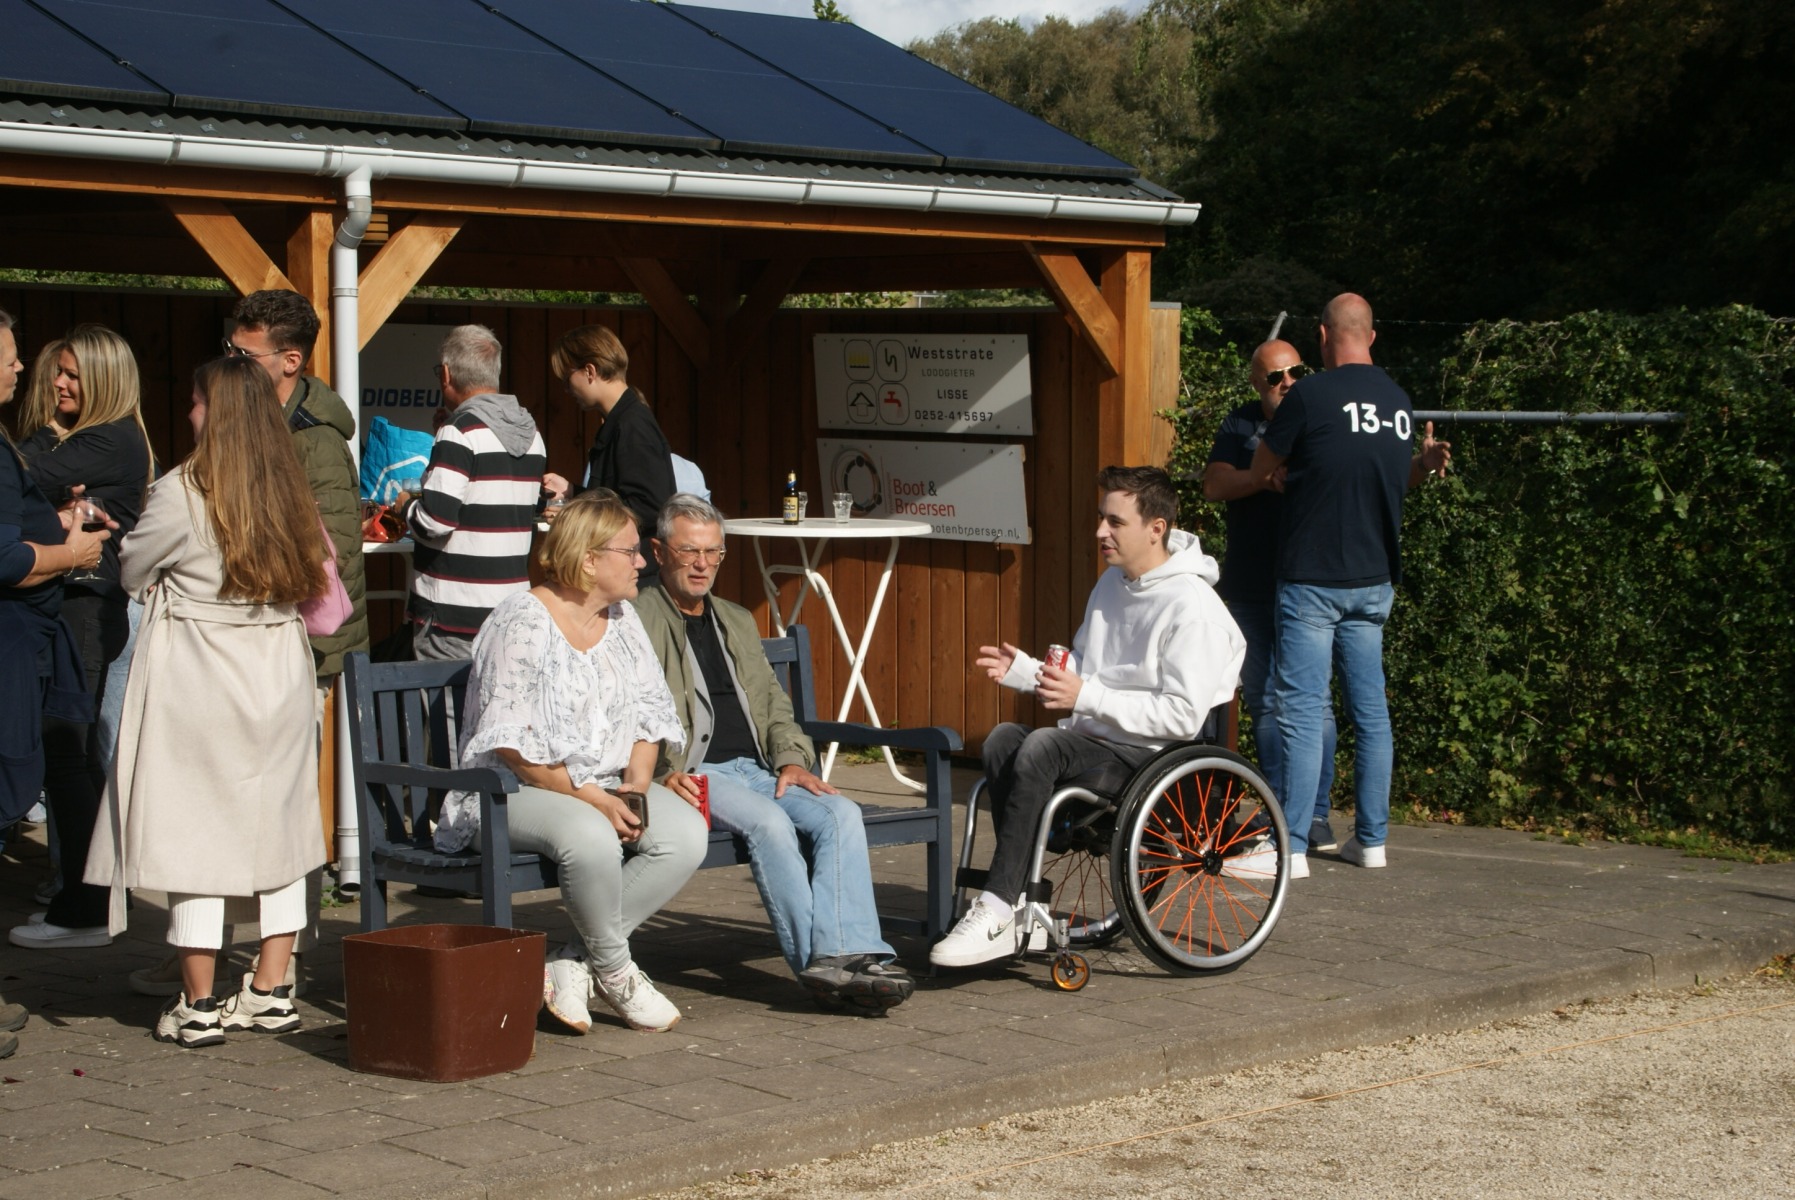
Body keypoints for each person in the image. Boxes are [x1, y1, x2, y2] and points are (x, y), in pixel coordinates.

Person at [86, 357, 331, 1047]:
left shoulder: (181, 490)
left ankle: (198, 1004)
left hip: (202, 672)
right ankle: (270, 991)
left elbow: (134, 569)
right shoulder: (290, 488)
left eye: (196, 403)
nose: (189, 412)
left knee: (194, 832)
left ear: (215, 413)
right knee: (284, 829)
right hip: (279, 670)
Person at [931, 466, 1247, 969]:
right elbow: (1085, 667)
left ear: (1156, 528)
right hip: (1095, 743)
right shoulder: (1112, 583)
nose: (1101, 531)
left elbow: (1182, 717)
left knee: (1042, 746)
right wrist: (1027, 672)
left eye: (1115, 522)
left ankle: (998, 906)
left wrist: (1088, 697)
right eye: (1101, 518)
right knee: (1002, 740)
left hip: (1152, 760)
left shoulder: (1195, 609)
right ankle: (1016, 901)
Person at [634, 494, 915, 1014]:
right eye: (689, 551)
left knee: (840, 813)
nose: (702, 564)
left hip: (759, 769)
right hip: (697, 773)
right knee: (771, 825)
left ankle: (848, 955)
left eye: (713, 553)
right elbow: (630, 710)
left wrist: (791, 759)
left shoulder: (736, 619)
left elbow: (773, 702)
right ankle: (823, 968)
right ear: (658, 552)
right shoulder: (635, 619)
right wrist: (664, 771)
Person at [441, 491, 706, 1033]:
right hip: (509, 790)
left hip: (603, 782)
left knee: (684, 834)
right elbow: (513, 748)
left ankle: (571, 960)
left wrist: (635, 788)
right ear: (588, 560)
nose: (641, 561)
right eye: (629, 551)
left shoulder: (623, 617)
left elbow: (649, 714)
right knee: (590, 837)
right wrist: (595, 799)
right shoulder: (522, 620)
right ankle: (616, 972)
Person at [1249, 294, 1451, 876]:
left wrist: (1283, 474)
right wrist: (1424, 464)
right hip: (1374, 581)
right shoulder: (1398, 402)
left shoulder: (1310, 395)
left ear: (1321, 336)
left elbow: (1262, 469)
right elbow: (1393, 478)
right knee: (1371, 713)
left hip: (1312, 579)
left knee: (1301, 712)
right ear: (1373, 336)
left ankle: (1289, 848)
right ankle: (1372, 841)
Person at [10, 324, 152, 950]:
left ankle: (86, 905)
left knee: (68, 750)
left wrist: (45, 476)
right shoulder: (91, 437)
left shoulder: (109, 438)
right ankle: (86, 894)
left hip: (88, 609)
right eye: (57, 371)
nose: (59, 382)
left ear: (103, 380)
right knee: (72, 752)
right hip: (78, 606)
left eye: (72, 374)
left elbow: (20, 476)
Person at [1204, 340, 1340, 854]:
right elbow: (1214, 484)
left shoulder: (1319, 414)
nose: (1287, 383)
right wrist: (1262, 479)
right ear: (1255, 384)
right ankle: (1280, 808)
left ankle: (1315, 816)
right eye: (1274, 377)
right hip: (1249, 583)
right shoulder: (1239, 422)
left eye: (1295, 371)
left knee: (1313, 703)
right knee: (1263, 699)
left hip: (1307, 582)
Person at [394, 325, 546, 661]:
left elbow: (436, 521)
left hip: (452, 617)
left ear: (446, 374)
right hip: (509, 610)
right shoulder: (532, 434)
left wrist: (405, 506)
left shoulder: (459, 432)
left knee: (448, 698)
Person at [540, 324, 676, 584]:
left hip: (637, 577)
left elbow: (649, 507)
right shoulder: (621, 421)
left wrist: (577, 515)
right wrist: (572, 492)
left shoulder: (632, 426)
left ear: (590, 371)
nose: (567, 390)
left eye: (567, 379)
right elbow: (618, 497)